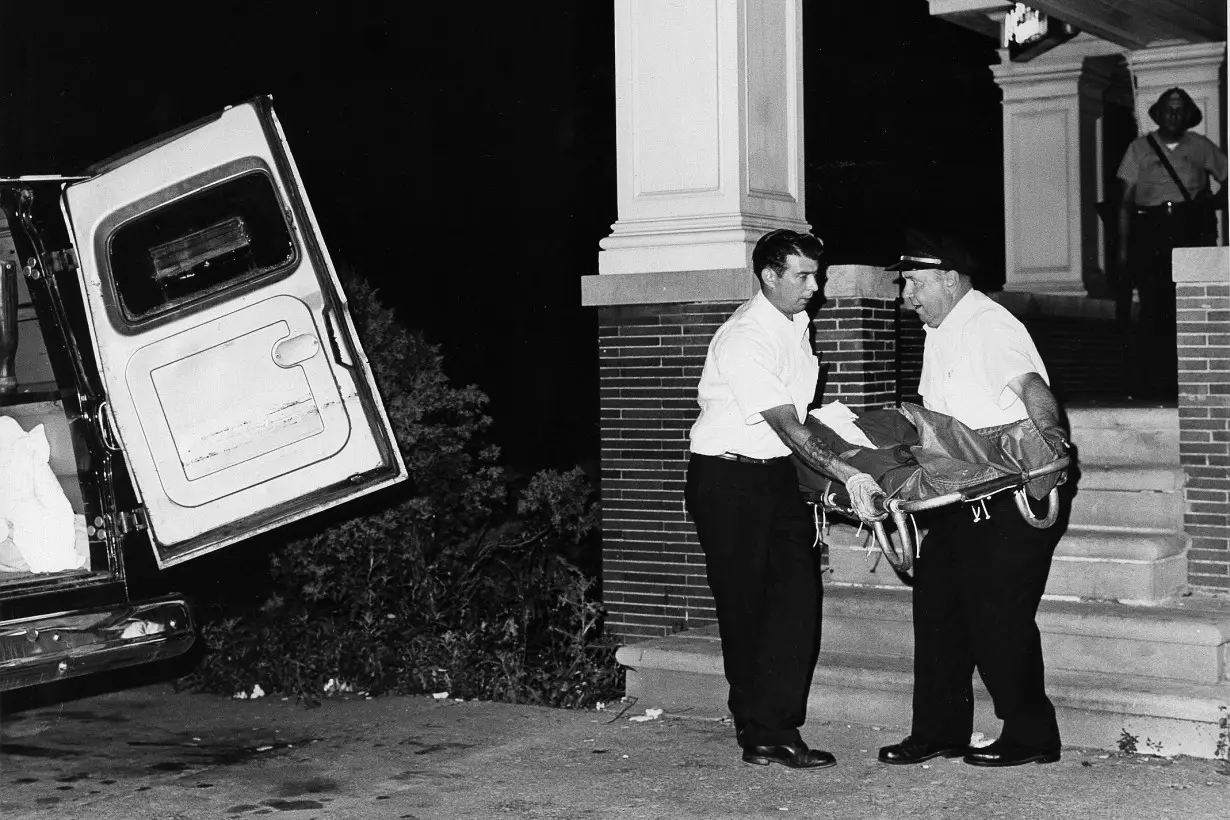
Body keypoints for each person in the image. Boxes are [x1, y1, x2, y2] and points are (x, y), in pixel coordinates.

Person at [685, 228, 887, 771]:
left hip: (775, 478)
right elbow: (787, 426)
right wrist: (849, 475)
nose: (814, 287)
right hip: (727, 483)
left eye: (816, 275)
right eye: (802, 276)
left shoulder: (796, 324)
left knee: (797, 604)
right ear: (769, 275)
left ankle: (775, 726)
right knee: (745, 608)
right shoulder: (746, 336)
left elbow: (801, 420)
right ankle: (761, 732)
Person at [877, 230, 1069, 769]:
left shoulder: (989, 324)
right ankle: (939, 731)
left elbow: (1033, 388)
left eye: (914, 282)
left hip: (1011, 493)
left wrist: (1052, 451)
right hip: (959, 494)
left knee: (998, 619)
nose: (905, 296)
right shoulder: (939, 328)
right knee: (936, 610)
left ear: (949, 278)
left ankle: (1033, 735)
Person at [1115, 88, 1228, 393]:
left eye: (1180, 110)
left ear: (1188, 115)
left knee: (1189, 304)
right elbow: (1125, 201)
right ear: (1159, 113)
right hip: (1150, 232)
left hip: (1191, 230)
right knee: (1153, 306)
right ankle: (1154, 384)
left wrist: (1215, 203)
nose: (1174, 115)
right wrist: (1123, 249)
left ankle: (1192, 383)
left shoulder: (1201, 146)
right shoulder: (1139, 148)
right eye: (1169, 109)